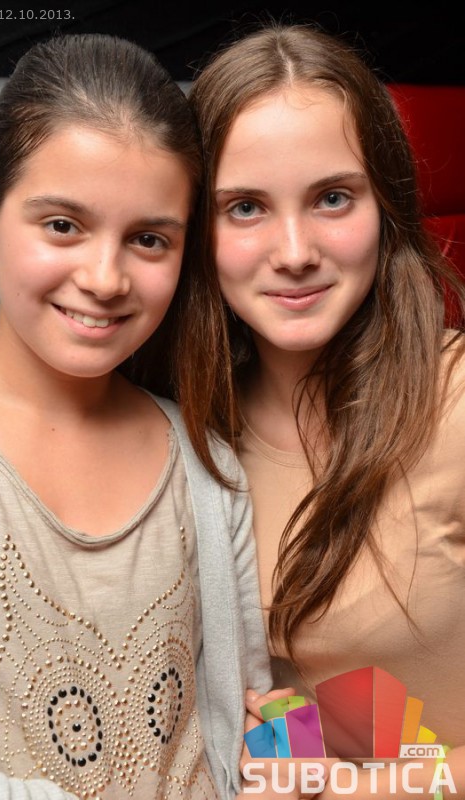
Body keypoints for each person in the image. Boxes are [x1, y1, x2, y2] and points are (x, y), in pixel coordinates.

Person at [0, 33, 271, 799]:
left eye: (148, 239)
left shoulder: (207, 468)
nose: (104, 277)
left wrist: (289, 764)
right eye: (62, 225)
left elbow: (249, 718)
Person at [180, 22, 465, 798]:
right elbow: (307, 692)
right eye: (245, 207)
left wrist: (348, 787)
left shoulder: (454, 404)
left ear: (385, 205)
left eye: (332, 197)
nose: (295, 250)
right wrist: (291, 745)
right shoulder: (183, 429)